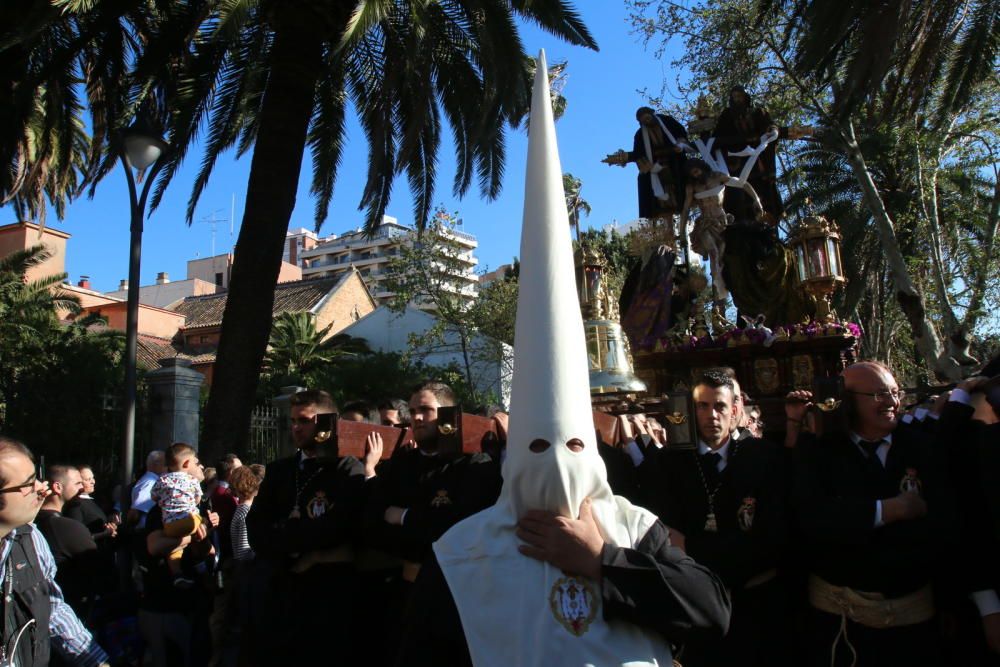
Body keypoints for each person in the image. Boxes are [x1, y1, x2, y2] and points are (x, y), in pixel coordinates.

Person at [397, 54, 730, 667]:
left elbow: (711, 611)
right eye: (540, 446)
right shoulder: (462, 552)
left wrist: (602, 560)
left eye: (575, 446)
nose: (558, 461)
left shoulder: (632, 526)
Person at [786, 361, 959, 666]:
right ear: (847, 400)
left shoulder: (922, 446)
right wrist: (887, 510)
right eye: (879, 394)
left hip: (915, 627)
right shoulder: (818, 451)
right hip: (841, 629)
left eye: (894, 392)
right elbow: (813, 519)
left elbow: (945, 523)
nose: (892, 402)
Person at [637, 370, 789, 666]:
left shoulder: (766, 458)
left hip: (755, 608)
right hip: (695, 611)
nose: (711, 415)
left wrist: (694, 546)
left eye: (719, 406)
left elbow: (773, 539)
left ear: (734, 410)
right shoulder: (668, 463)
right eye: (703, 406)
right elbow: (664, 536)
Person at [365, 381, 502, 665]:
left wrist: (403, 516)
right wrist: (418, 527)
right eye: (413, 410)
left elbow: (459, 527)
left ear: (449, 414)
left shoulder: (476, 465)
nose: (416, 417)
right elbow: (374, 519)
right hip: (406, 590)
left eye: (426, 410)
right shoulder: (402, 464)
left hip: (457, 597)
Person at [245, 389, 368, 665]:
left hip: (327, 595)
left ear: (327, 423)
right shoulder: (279, 471)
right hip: (281, 588)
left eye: (305, 421)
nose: (297, 428)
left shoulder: (347, 469)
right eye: (293, 421)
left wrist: (289, 539)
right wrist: (293, 548)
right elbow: (255, 526)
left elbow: (338, 527)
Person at [0, 437, 109, 666]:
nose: (42, 488)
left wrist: (96, 661)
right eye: (29, 483)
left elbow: (52, 608)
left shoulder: (30, 537)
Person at [151, 443, 206, 587]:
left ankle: (177, 575)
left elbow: (154, 496)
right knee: (202, 523)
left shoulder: (162, 480)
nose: (201, 466)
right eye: (197, 462)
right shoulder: (192, 481)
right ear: (187, 463)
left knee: (174, 553)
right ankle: (201, 565)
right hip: (189, 521)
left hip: (169, 526)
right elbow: (197, 499)